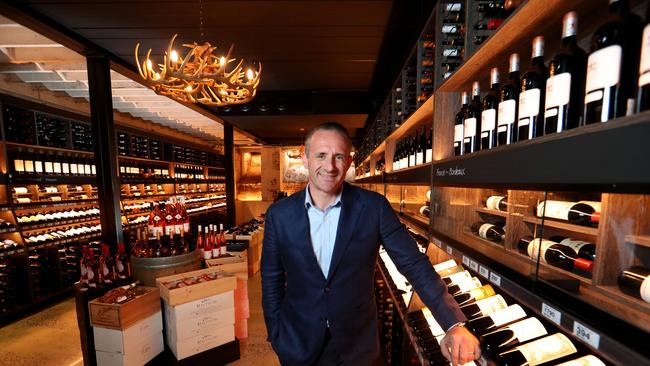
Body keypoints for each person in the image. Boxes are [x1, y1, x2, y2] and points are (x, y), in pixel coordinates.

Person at [261, 122, 480, 366]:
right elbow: (271, 278)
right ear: (305, 158)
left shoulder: (374, 207)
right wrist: (276, 333)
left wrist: (453, 323)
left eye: (339, 157)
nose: (330, 166)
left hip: (356, 347)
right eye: (321, 155)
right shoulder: (279, 214)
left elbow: (414, 264)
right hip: (297, 343)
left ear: (349, 160)